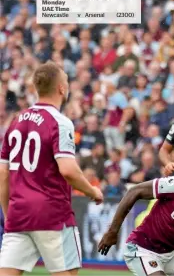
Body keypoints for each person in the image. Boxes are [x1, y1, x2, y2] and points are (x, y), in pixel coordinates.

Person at [0, 62, 104, 275]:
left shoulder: (16, 122)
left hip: (19, 214)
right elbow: (68, 170)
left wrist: (8, 214)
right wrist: (92, 191)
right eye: (66, 81)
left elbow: (2, 174)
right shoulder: (60, 121)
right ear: (62, 88)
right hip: (52, 214)